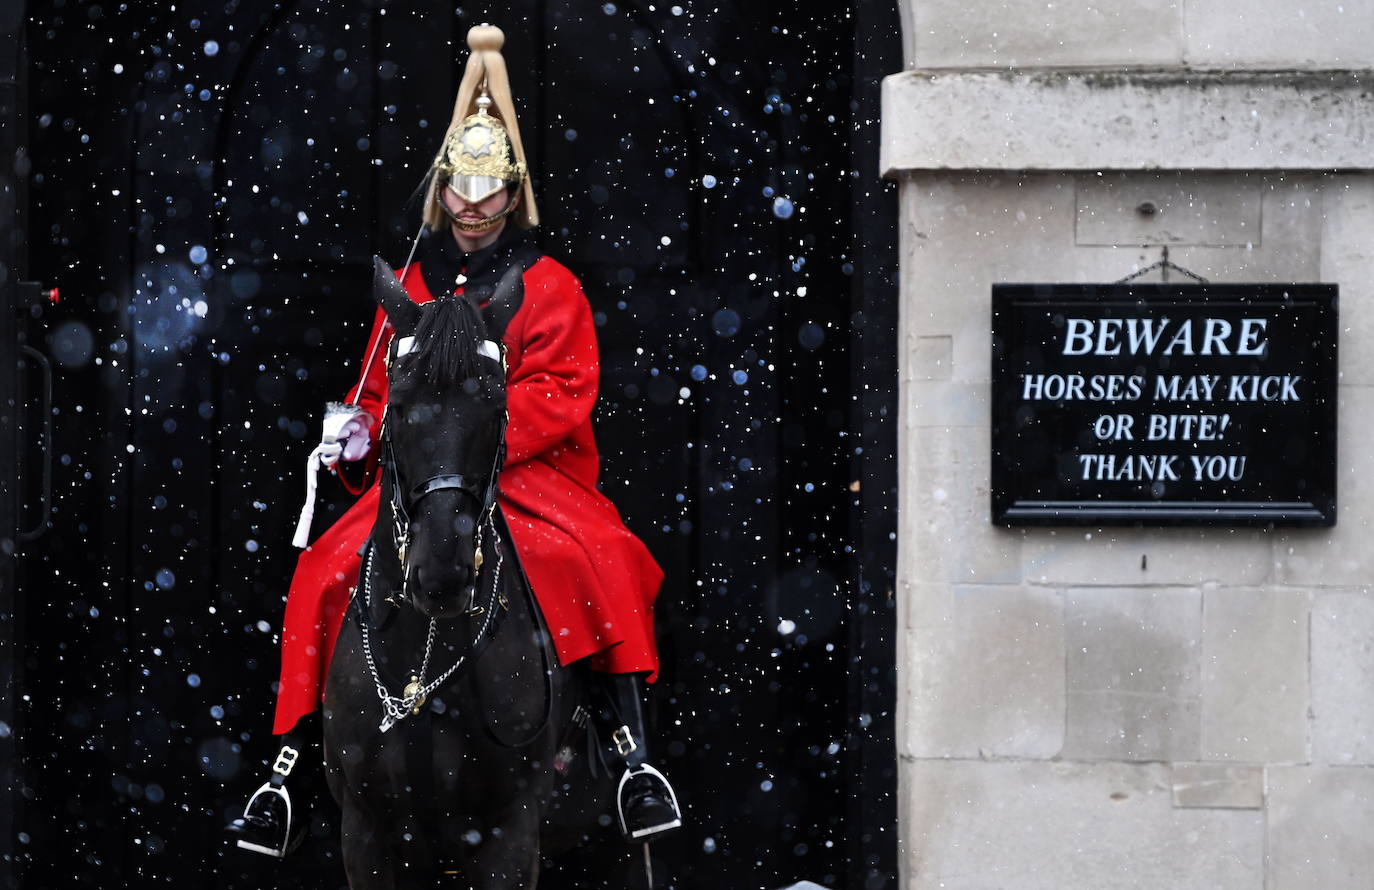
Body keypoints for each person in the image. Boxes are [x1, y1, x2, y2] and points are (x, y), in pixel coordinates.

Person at [224, 24, 682, 858]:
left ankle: (628, 757)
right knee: (322, 572)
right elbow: (374, 387)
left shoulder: (551, 286)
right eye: (460, 193)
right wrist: (356, 434)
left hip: (523, 470)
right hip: (418, 477)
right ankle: (285, 764)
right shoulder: (413, 285)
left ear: (512, 196)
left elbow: (566, 389)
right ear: (443, 194)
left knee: (601, 557)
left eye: (489, 193)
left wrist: (478, 439)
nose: (473, 209)